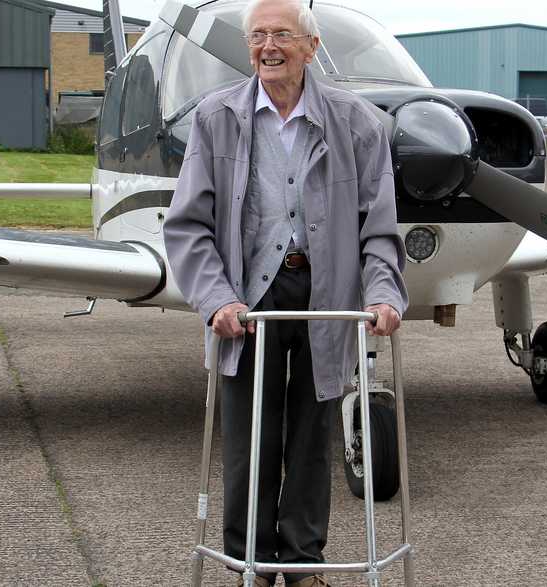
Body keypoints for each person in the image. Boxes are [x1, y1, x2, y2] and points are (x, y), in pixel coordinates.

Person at [163, 0, 407, 584]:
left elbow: (379, 224)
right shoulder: (215, 118)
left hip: (328, 291)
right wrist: (216, 298)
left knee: (312, 433)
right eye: (258, 36)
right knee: (251, 436)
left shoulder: (358, 122)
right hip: (249, 295)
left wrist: (383, 294)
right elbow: (188, 224)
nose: (268, 47)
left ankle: (302, 563)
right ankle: (250, 562)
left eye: (282, 36)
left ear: (311, 47)